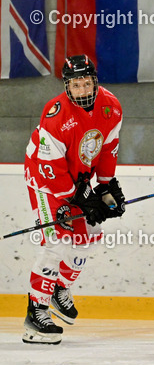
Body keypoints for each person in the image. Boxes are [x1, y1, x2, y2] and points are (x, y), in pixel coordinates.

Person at [23, 55, 126, 344]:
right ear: (67, 87)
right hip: (45, 181)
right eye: (75, 85)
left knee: (91, 235)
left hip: (75, 180)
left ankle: (60, 287)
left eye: (86, 83)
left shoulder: (111, 107)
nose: (82, 90)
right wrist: (80, 198)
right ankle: (36, 311)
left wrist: (105, 187)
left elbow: (108, 149)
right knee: (56, 242)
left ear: (95, 81)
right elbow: (50, 168)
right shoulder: (56, 115)